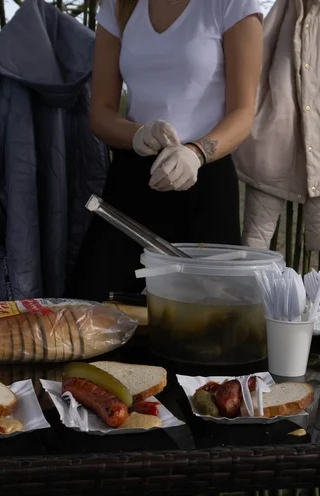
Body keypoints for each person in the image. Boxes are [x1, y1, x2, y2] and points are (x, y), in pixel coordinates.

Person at [67, 0, 264, 302]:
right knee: (92, 303)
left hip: (204, 181)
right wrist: (138, 135)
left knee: (207, 321)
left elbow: (242, 113)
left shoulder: (231, 4)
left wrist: (196, 153)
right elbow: (101, 112)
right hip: (133, 180)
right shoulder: (120, 6)